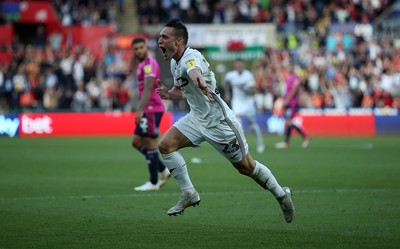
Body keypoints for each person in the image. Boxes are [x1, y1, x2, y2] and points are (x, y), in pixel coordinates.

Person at [155, 19, 294, 223]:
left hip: (220, 123)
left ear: (179, 41)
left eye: (164, 37)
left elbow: (195, 73)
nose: (159, 41)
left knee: (247, 167)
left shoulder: (191, 57)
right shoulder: (176, 62)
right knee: (165, 146)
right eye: (160, 36)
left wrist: (200, 81)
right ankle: (189, 193)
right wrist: (169, 94)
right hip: (196, 119)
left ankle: (281, 195)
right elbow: (181, 90)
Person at [131, 37, 170, 191]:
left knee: (149, 143)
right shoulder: (142, 64)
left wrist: (139, 110)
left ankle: (153, 182)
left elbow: (148, 89)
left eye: (141, 47)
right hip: (147, 109)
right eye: (136, 49)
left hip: (152, 109)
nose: (138, 50)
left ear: (146, 47)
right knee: (136, 142)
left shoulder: (149, 64)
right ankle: (162, 169)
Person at [224, 58, 265, 153]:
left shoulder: (248, 76)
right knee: (237, 122)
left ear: (243, 66)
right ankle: (241, 145)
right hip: (237, 102)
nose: (239, 67)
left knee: (252, 125)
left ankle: (260, 142)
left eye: (240, 66)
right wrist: (227, 93)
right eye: (237, 66)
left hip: (248, 102)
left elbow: (253, 91)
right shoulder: (231, 75)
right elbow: (226, 83)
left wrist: (243, 88)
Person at [275, 63, 310, 149]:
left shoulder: (295, 78)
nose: (289, 68)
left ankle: (304, 136)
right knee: (288, 122)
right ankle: (286, 142)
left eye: (290, 67)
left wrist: (286, 100)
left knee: (288, 122)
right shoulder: (288, 77)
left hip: (292, 102)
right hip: (288, 102)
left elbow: (294, 90)